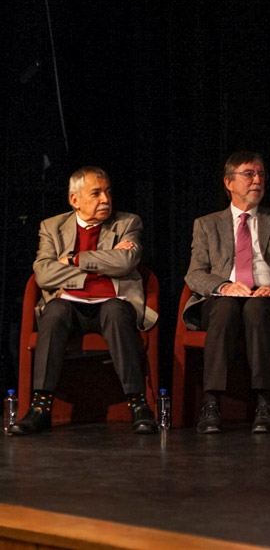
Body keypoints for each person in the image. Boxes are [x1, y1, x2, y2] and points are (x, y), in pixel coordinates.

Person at [10, 167, 158, 435]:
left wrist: (74, 259)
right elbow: (43, 274)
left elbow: (125, 262)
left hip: (112, 302)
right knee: (53, 312)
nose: (105, 199)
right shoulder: (52, 226)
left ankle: (138, 405)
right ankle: (40, 407)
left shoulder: (127, 223)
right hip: (70, 305)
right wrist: (102, 266)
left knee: (115, 311)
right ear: (75, 200)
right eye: (96, 193)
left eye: (108, 192)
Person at [183, 151, 270, 434]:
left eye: (261, 174)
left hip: (268, 299)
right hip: (222, 298)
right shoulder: (206, 224)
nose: (257, 180)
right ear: (228, 183)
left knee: (256, 308)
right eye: (249, 174)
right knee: (226, 307)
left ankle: (265, 403)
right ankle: (211, 403)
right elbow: (195, 273)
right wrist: (223, 286)